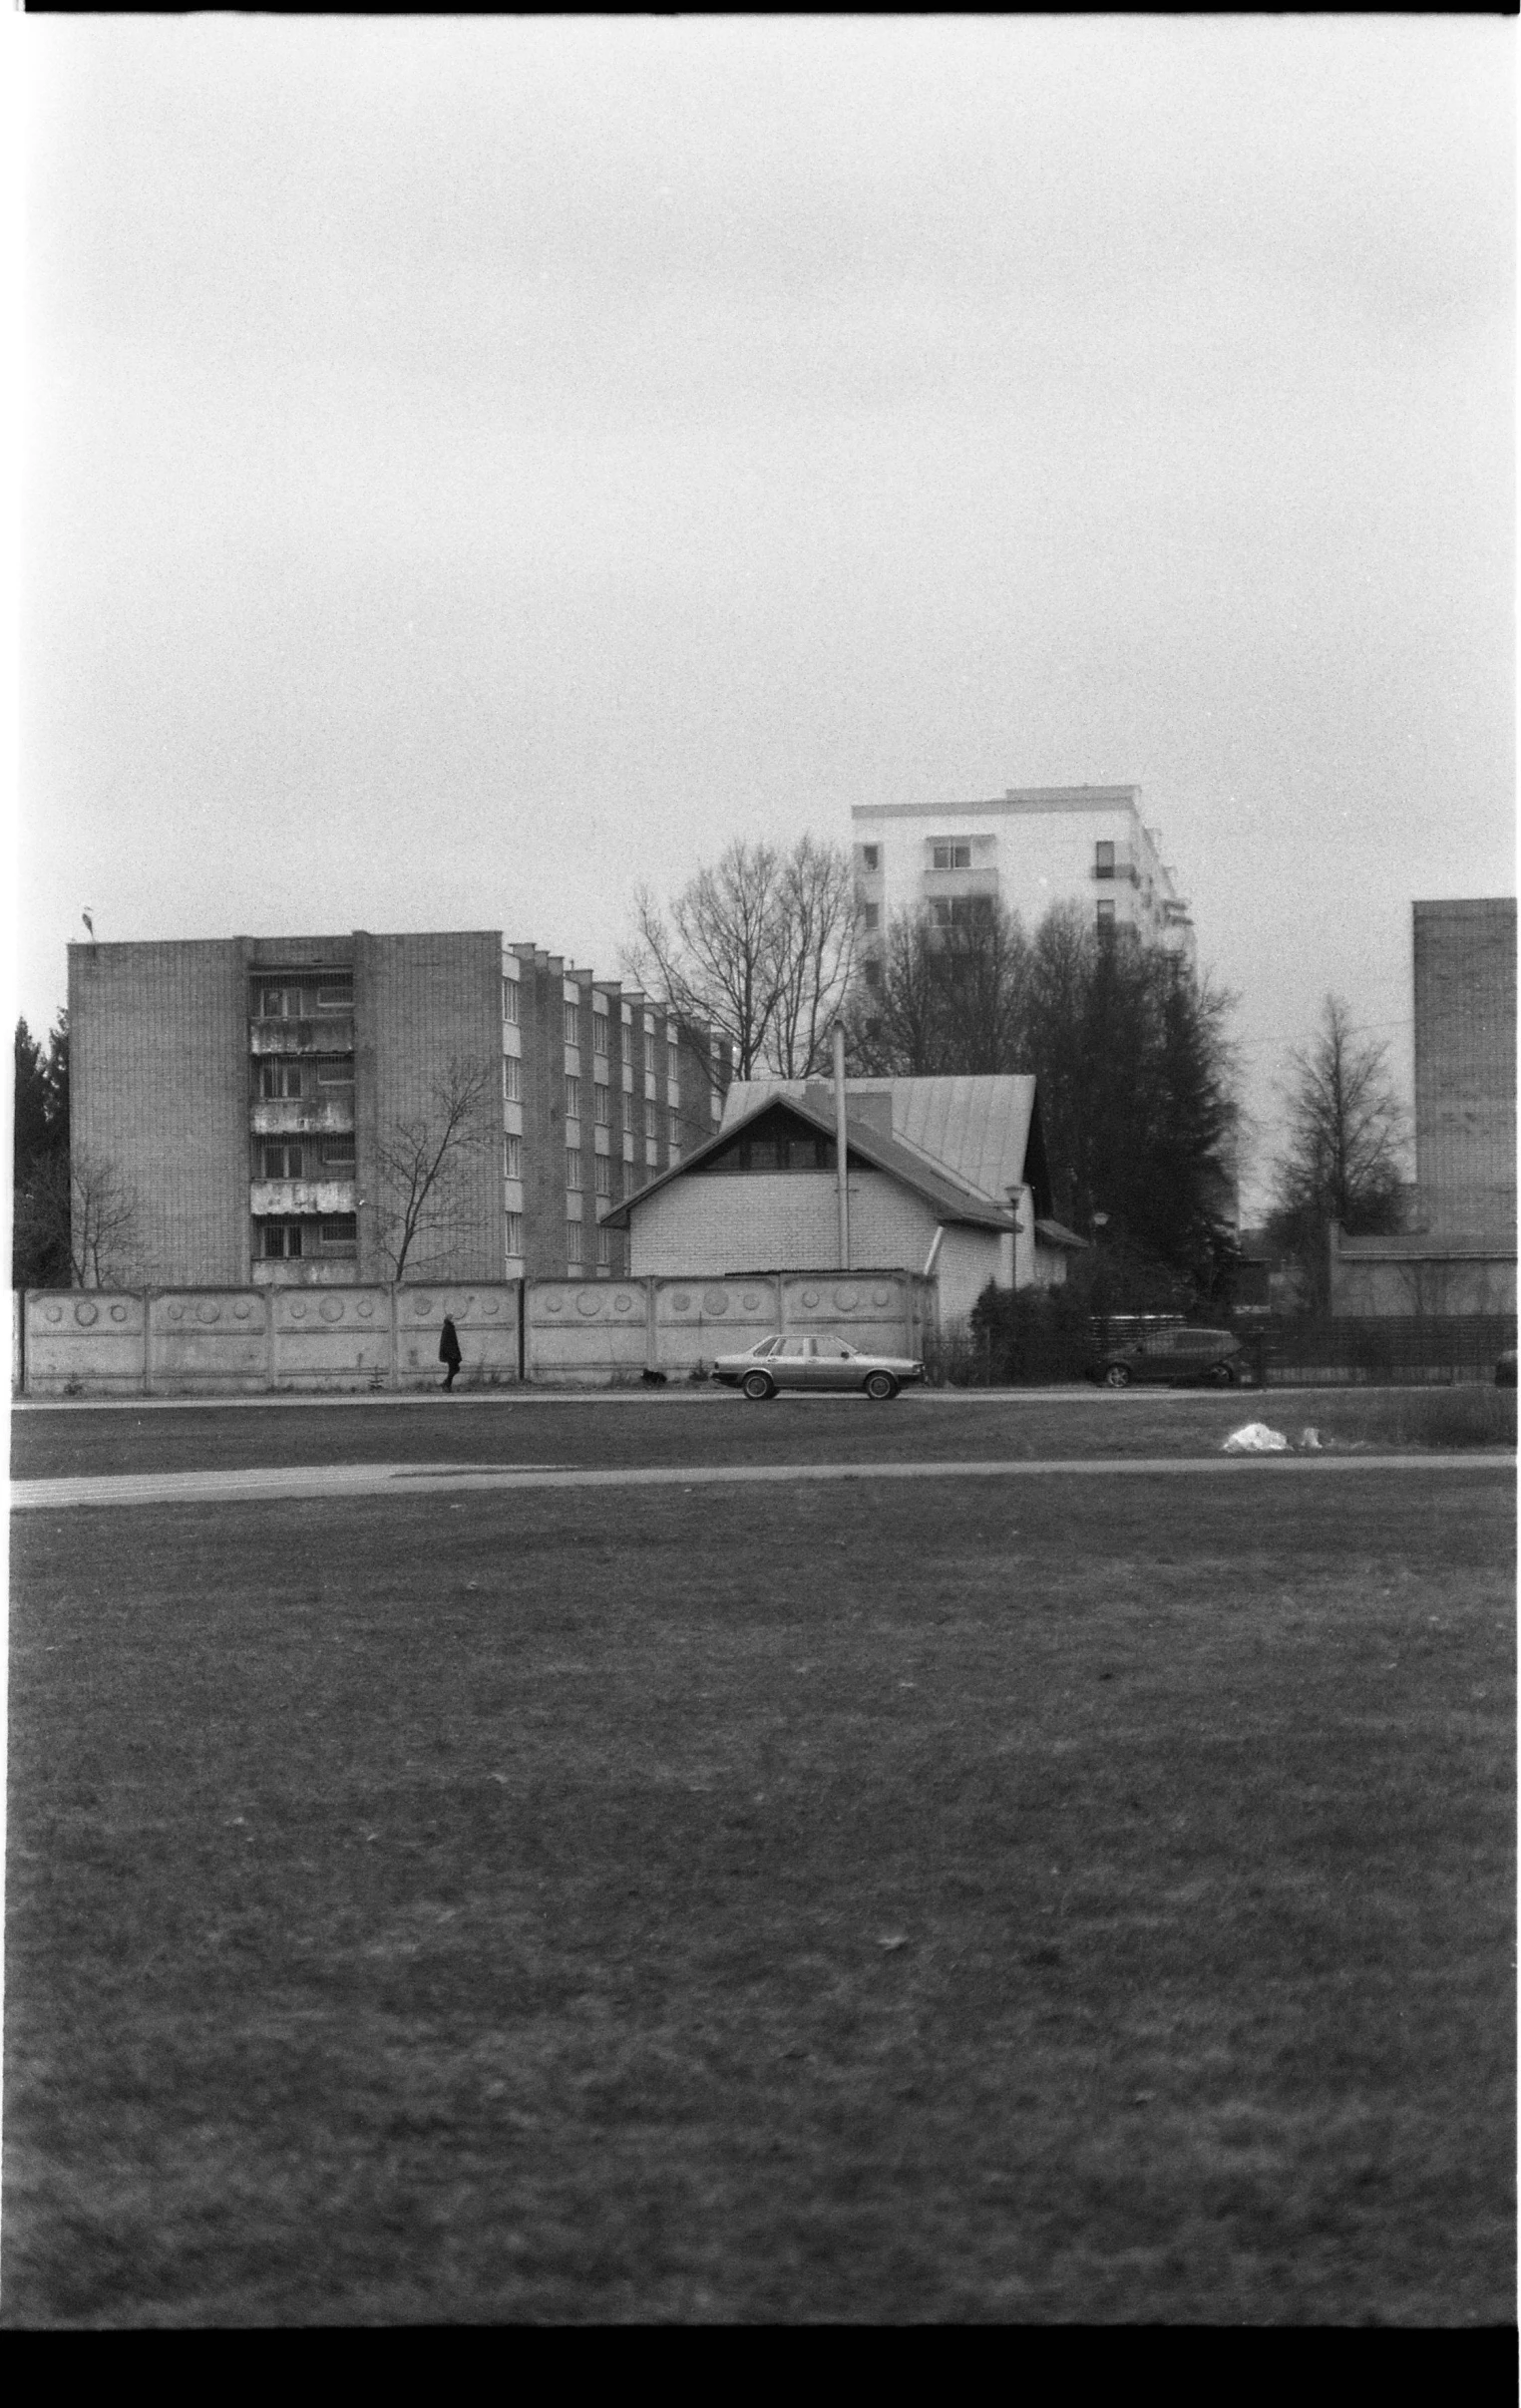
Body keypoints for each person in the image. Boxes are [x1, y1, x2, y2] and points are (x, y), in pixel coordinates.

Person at [439, 1312, 462, 1392]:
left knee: (454, 1369)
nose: (454, 1320)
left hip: (451, 1354)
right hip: (451, 1355)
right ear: (450, 1319)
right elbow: (447, 1343)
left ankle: (446, 1384)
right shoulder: (448, 1328)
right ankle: (446, 1385)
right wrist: (452, 1354)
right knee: (454, 1369)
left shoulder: (449, 1327)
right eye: (453, 1319)